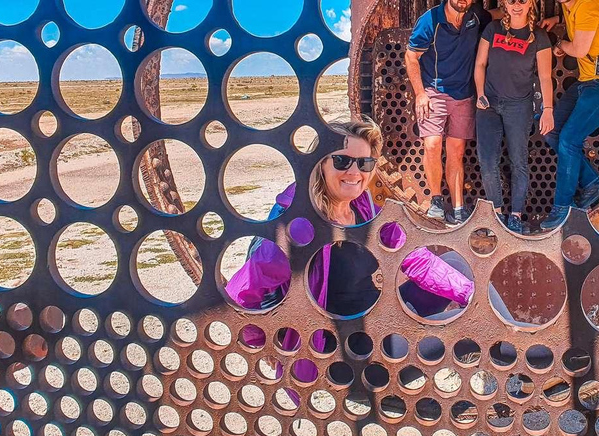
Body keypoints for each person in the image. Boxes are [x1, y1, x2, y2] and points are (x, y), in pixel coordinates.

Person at [226, 118, 476, 381]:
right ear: (320, 164)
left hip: (375, 321)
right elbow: (241, 292)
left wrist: (471, 296)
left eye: (364, 163)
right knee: (472, 335)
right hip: (340, 355)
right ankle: (518, 357)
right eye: (342, 161)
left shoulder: (363, 207)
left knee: (456, 267)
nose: (355, 173)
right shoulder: (299, 225)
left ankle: (516, 346)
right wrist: (264, 345)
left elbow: (415, 258)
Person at [538, 0, 599, 230]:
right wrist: (557, 20)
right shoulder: (571, 7)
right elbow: (579, 21)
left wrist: (560, 43)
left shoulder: (589, 4)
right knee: (552, 131)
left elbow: (579, 50)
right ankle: (592, 182)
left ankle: (562, 207)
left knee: (569, 140)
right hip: (587, 82)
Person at [405, 0, 502, 225]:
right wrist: (420, 93)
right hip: (433, 91)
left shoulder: (475, 15)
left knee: (456, 151)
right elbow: (411, 57)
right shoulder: (430, 21)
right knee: (431, 145)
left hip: (463, 94)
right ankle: (436, 200)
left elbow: (499, 13)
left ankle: (458, 208)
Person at [474, 0, 554, 234]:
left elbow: (545, 77)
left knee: (519, 162)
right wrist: (480, 94)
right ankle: (496, 214)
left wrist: (548, 109)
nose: (516, 5)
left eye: (522, 1)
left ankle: (516, 216)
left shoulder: (538, 37)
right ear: (504, 5)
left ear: (530, 4)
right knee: (488, 160)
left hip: (518, 106)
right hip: (488, 102)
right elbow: (480, 64)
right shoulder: (493, 29)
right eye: (511, 1)